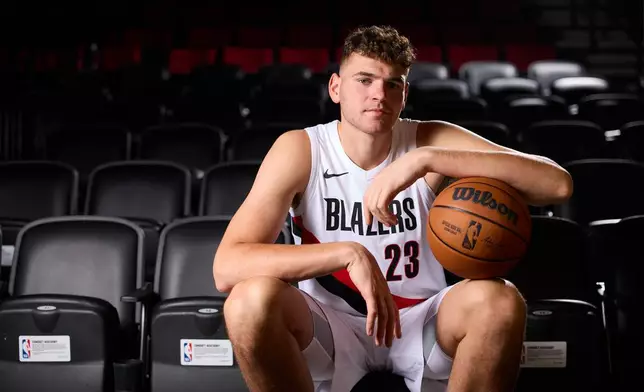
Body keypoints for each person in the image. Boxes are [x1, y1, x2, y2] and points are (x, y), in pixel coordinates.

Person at [213, 25, 573, 392]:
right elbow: (227, 267)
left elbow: (557, 185)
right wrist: (347, 253)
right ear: (335, 88)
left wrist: (428, 159)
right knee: (247, 302)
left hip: (418, 321)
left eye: (392, 84)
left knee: (501, 301)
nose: (378, 95)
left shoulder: (427, 141)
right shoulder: (303, 149)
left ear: (405, 94)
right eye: (364, 80)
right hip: (331, 326)